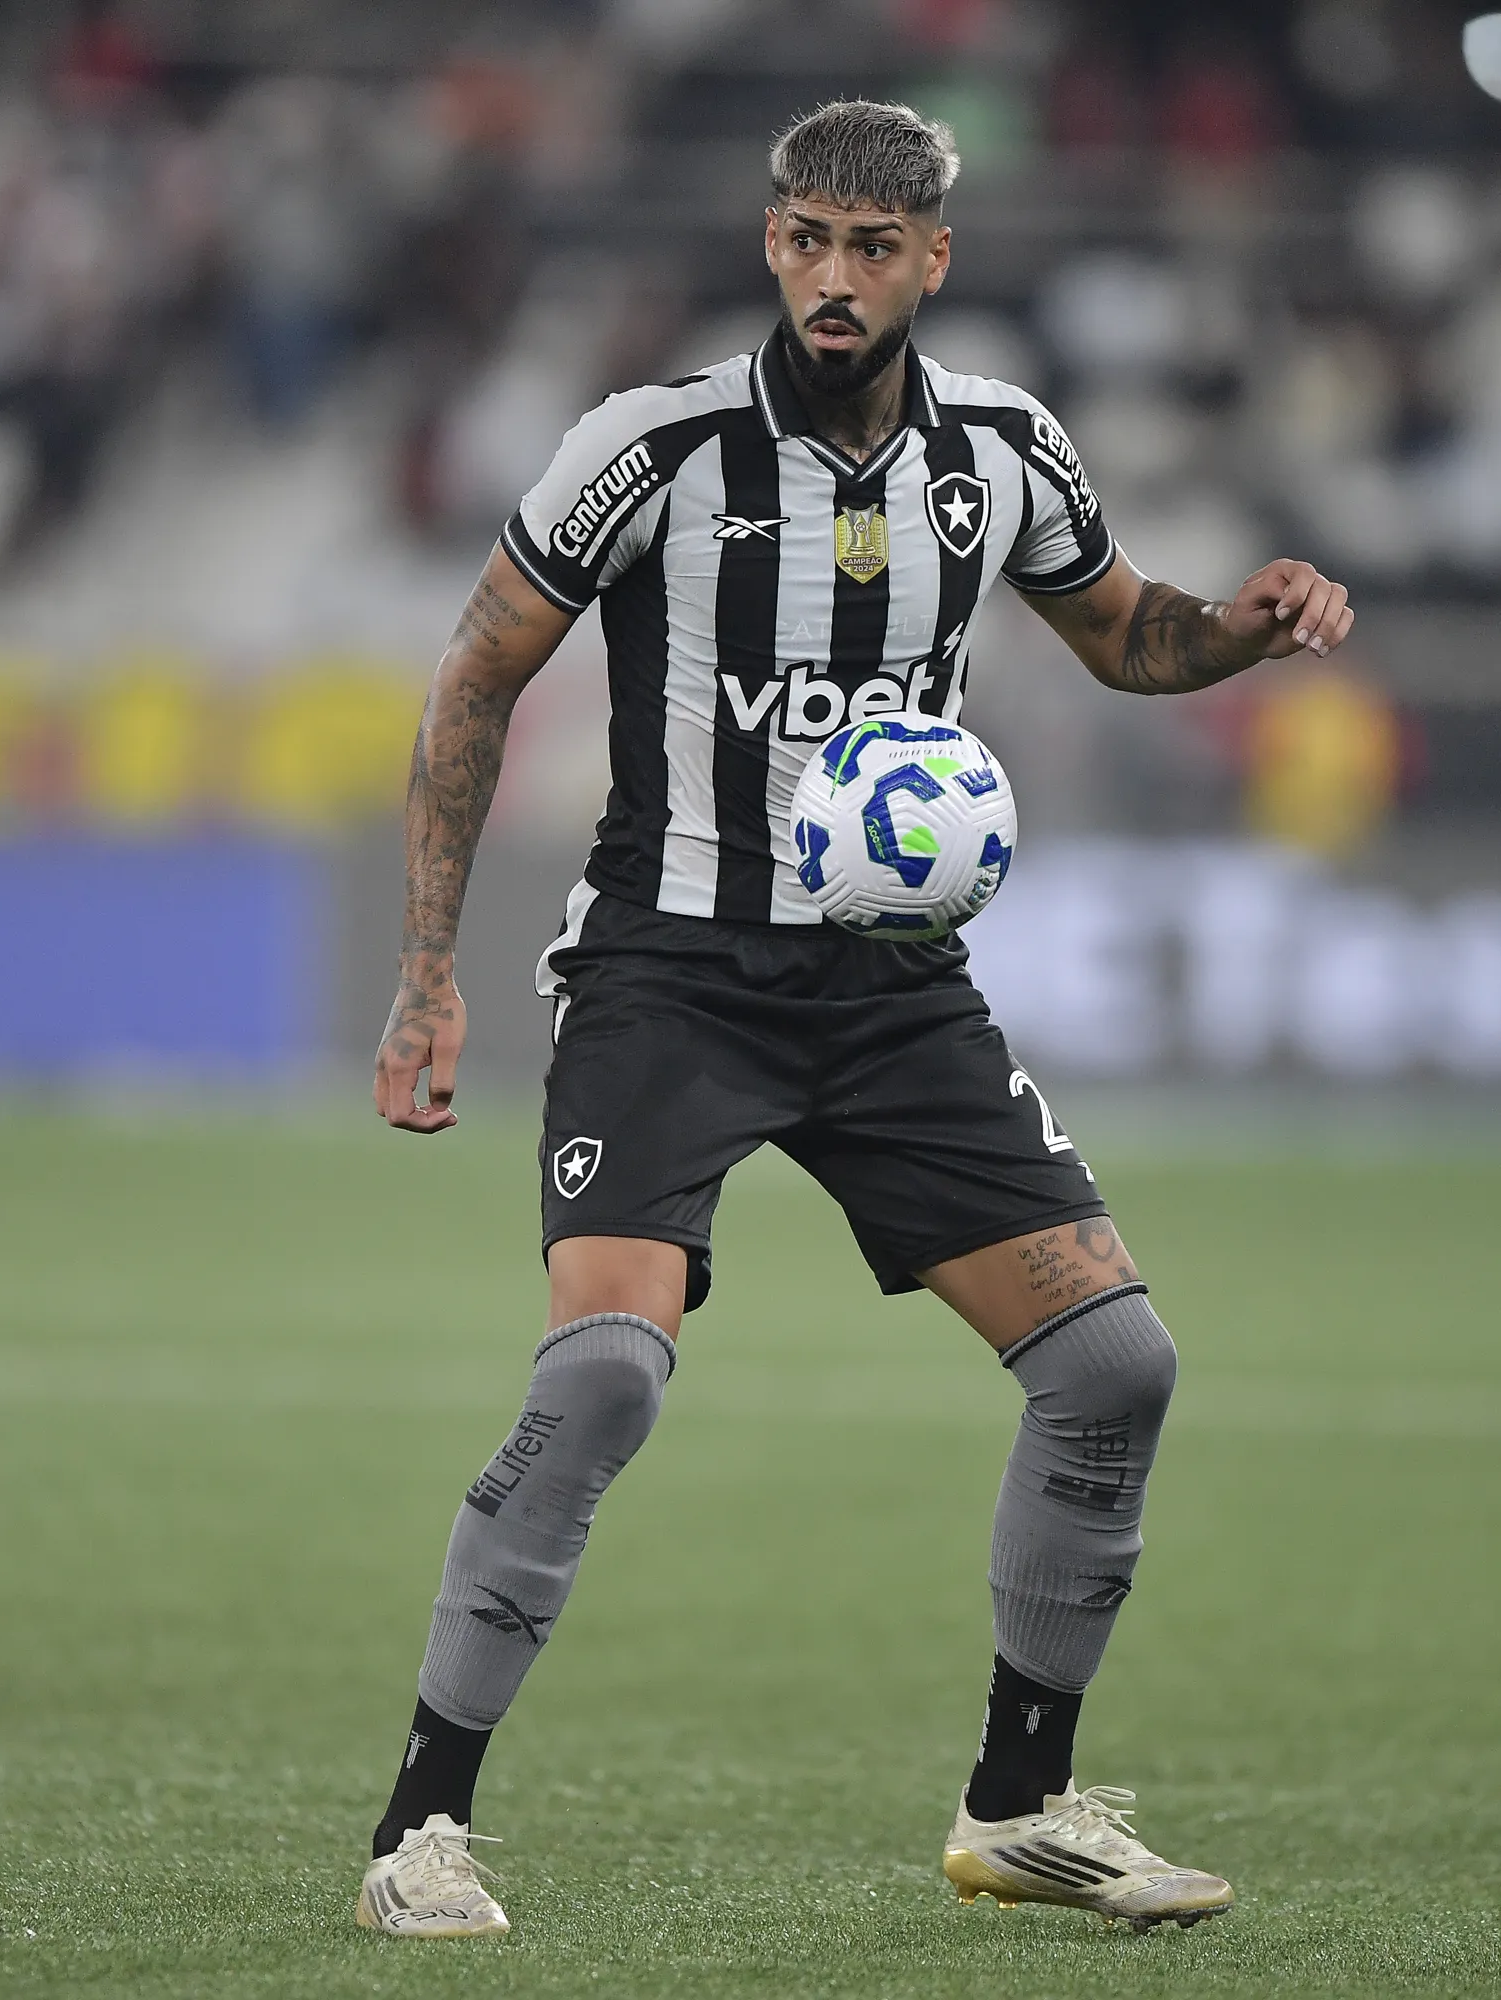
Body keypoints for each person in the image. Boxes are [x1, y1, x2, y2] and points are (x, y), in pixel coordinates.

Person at [357, 99, 1355, 1939]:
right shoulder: (648, 449)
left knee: (1115, 1369)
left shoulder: (1000, 452)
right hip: (671, 973)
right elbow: (479, 667)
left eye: (872, 250)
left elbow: (1127, 634)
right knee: (596, 1381)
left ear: (934, 264)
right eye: (807, 240)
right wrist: (430, 963)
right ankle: (420, 1831)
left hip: (892, 993)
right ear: (770, 242)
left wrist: (1250, 624)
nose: (834, 278)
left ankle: (1022, 1808)